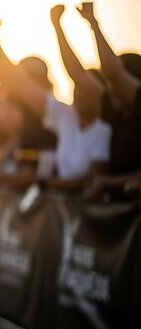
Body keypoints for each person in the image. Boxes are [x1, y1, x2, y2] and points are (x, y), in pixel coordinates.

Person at [0, 11, 111, 194]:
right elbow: (16, 82)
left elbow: (90, 181)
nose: (78, 93)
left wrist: (40, 182)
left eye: (85, 89)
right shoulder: (66, 115)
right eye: (76, 87)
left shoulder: (104, 129)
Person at [76, 2, 141, 200]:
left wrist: (94, 24)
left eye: (116, 82)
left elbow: (113, 73)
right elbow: (77, 75)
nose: (109, 87)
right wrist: (57, 26)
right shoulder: (113, 111)